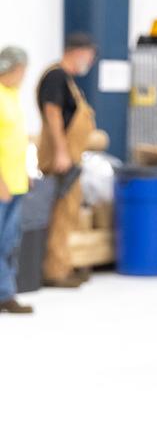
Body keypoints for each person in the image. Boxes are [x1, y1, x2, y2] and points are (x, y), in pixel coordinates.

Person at [36, 32, 98, 288]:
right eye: (90, 57)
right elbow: (53, 114)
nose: (90, 63)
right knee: (60, 213)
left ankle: (62, 264)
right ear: (78, 52)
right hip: (60, 156)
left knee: (68, 213)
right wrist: (62, 151)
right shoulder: (56, 76)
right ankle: (54, 271)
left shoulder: (67, 80)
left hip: (71, 156)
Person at [0, 46, 33, 314]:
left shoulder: (12, 96)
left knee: (9, 242)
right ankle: (5, 294)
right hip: (2, 185)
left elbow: (15, 142)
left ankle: (6, 293)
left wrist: (25, 173)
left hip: (16, 182)